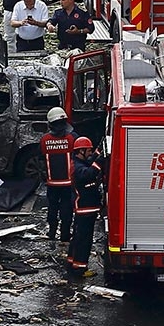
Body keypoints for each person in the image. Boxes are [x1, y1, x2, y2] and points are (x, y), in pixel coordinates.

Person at [66, 136, 103, 277]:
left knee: (77, 238)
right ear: (81, 151)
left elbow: (90, 161)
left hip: (86, 208)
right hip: (84, 208)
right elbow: (89, 173)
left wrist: (99, 150)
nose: (90, 152)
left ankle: (72, 263)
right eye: (89, 150)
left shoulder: (79, 162)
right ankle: (79, 269)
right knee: (83, 240)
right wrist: (101, 161)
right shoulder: (77, 167)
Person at [39, 107, 77, 243]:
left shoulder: (44, 140)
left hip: (52, 183)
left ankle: (52, 233)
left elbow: (41, 160)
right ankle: (65, 235)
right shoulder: (72, 139)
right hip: (68, 183)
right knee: (67, 209)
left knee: (52, 207)